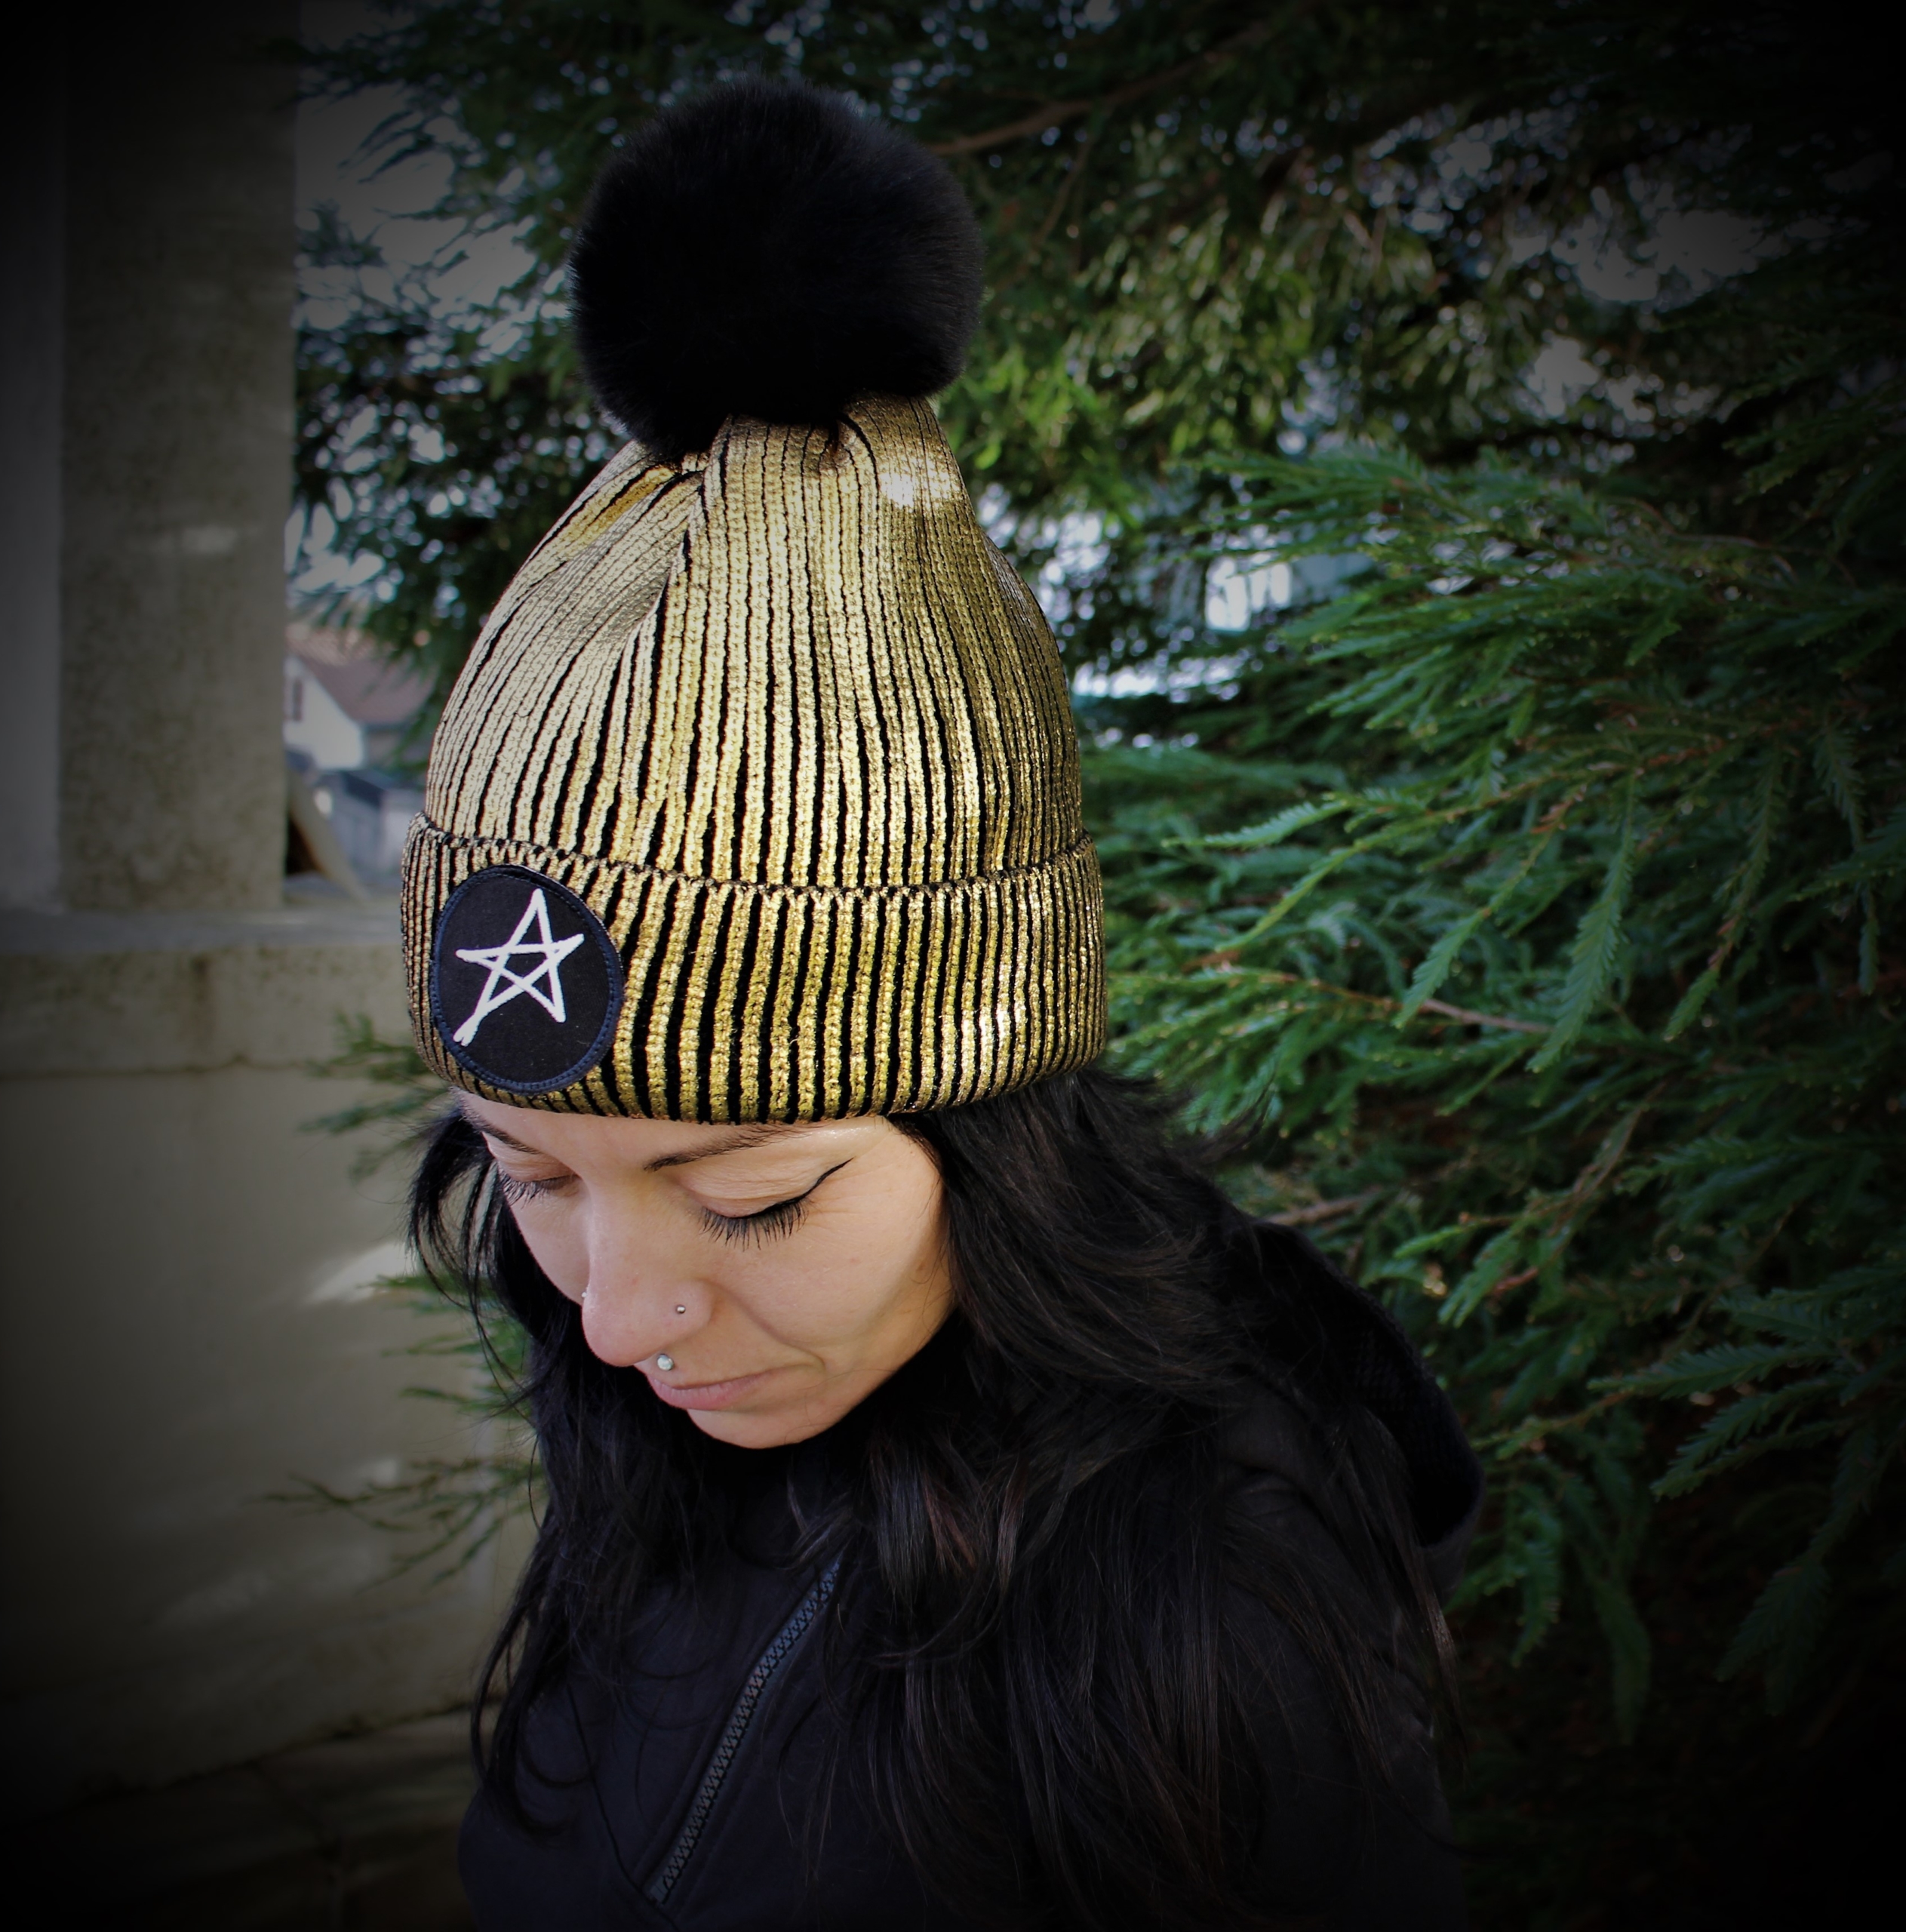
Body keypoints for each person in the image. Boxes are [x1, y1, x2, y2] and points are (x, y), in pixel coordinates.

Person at [401, 77, 1480, 1932]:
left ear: (998, 1134)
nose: (618, 1313)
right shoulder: (662, 1430)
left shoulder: (1210, 1608)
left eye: (754, 1194)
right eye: (534, 1172)